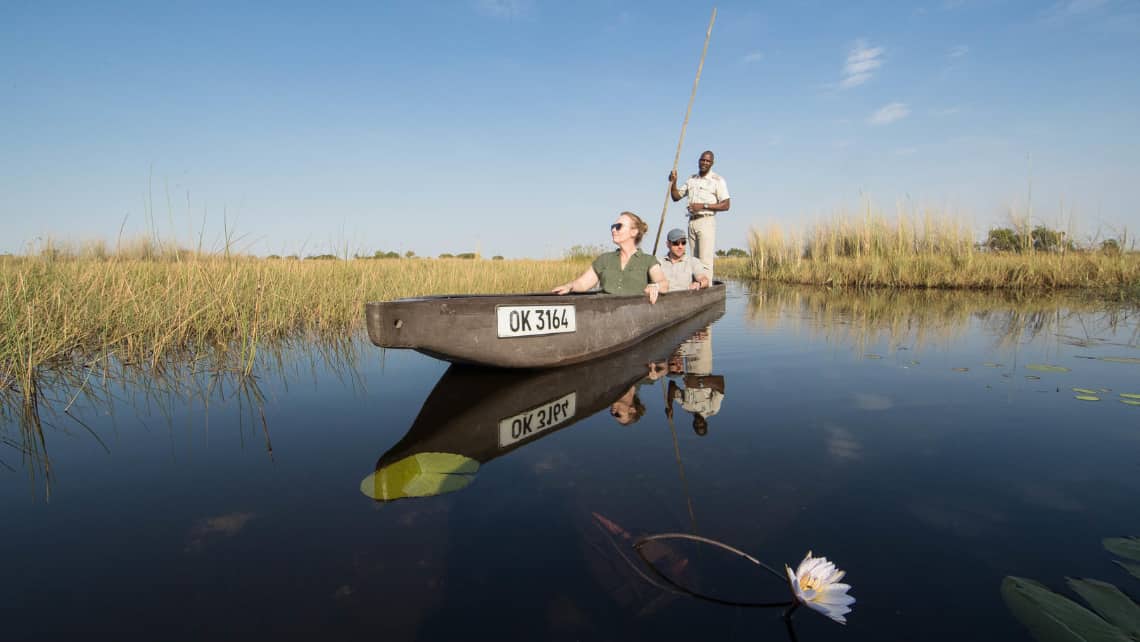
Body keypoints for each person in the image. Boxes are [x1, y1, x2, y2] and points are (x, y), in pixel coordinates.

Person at [553, 211, 669, 303]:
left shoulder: (648, 260)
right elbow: (583, 283)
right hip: (603, 313)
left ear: (633, 232)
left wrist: (655, 286)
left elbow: (664, 283)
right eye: (613, 226)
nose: (613, 230)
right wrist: (569, 286)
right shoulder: (605, 259)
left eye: (619, 226)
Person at [668, 150, 730, 275]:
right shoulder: (692, 179)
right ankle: (696, 289)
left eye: (708, 161)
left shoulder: (717, 180)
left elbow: (726, 205)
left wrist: (703, 206)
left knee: (705, 263)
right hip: (692, 222)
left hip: (706, 221)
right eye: (703, 160)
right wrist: (673, 182)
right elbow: (676, 197)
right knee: (694, 261)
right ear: (699, 161)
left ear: (712, 163)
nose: (705, 163)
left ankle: (707, 291)